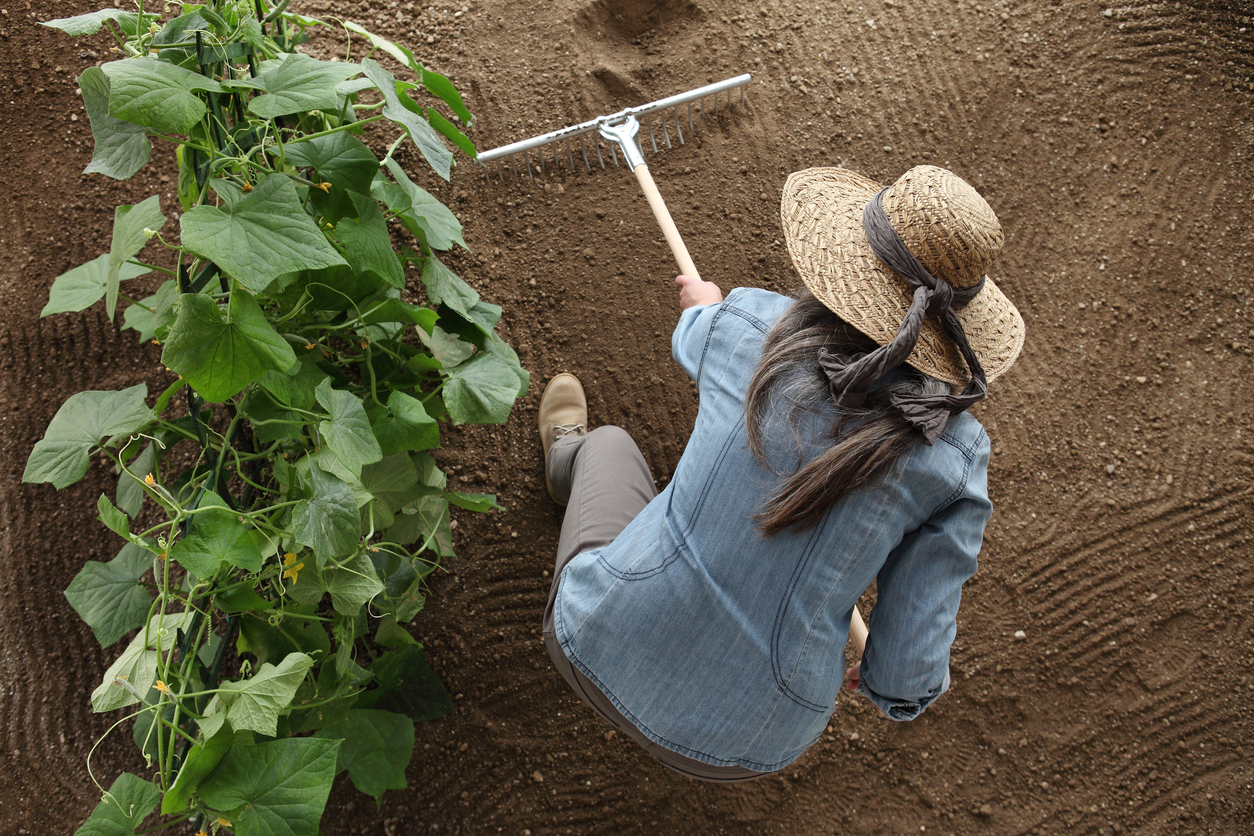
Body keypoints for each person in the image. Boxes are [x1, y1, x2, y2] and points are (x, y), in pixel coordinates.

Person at [537, 165, 1025, 781]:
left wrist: (707, 309)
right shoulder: (954, 460)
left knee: (607, 445)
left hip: (594, 642)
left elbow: (695, 338)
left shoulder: (746, 328)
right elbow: (904, 672)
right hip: (753, 743)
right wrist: (892, 690)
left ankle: (567, 463)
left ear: (848, 265)